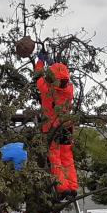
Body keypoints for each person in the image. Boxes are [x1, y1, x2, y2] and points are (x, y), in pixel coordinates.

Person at [33, 53, 79, 198]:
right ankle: (72, 187)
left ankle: (62, 187)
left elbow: (38, 76)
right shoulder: (69, 90)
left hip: (52, 128)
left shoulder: (46, 89)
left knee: (55, 157)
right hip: (67, 126)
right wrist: (52, 63)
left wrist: (40, 61)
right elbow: (60, 76)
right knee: (67, 158)